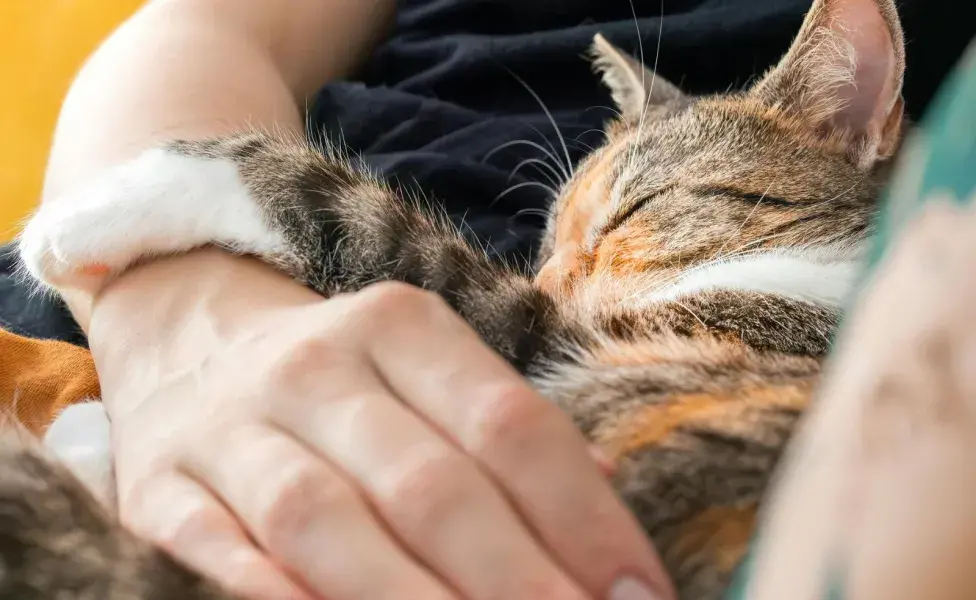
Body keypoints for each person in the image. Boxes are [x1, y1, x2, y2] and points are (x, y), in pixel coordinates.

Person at [7, 0, 970, 599]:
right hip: (133, 305)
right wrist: (182, 339)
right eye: (557, 243)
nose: (555, 274)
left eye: (619, 219)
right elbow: (191, 29)